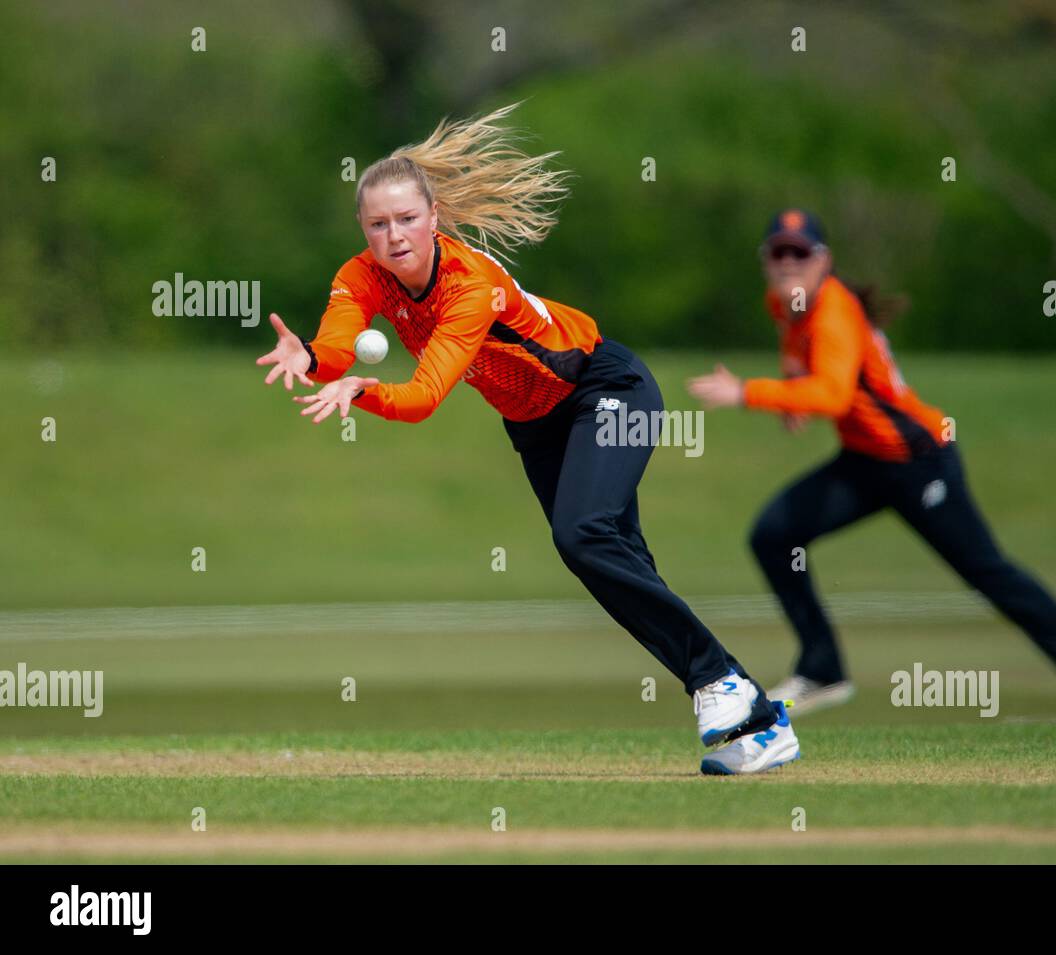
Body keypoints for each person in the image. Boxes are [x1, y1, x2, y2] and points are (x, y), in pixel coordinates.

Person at [254, 104, 799, 774]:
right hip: (535, 422)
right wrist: (310, 359)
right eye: (378, 224)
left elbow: (422, 397)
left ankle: (722, 685)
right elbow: (338, 345)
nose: (393, 235)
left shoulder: (468, 286)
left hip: (606, 391)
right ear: (364, 230)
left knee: (583, 535)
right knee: (612, 561)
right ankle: (759, 718)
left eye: (406, 219)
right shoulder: (360, 274)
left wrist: (362, 391)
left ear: (433, 218)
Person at [687, 208, 1056, 723]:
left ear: (823, 260)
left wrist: (747, 392)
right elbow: (805, 364)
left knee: (989, 572)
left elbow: (833, 393)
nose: (789, 262)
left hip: (920, 461)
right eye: (778, 252)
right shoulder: (784, 304)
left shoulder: (835, 309)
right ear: (765, 261)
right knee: (773, 535)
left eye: (800, 252)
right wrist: (792, 397)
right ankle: (823, 668)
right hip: (866, 461)